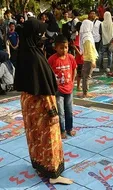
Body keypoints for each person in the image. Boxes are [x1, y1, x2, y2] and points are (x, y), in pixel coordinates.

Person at [14, 17, 73, 185]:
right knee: (49, 137)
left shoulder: (25, 52)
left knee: (35, 136)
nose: (43, 36)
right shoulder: (35, 57)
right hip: (41, 105)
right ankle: (53, 173)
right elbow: (45, 86)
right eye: (40, 33)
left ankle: (40, 164)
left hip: (28, 104)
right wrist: (53, 111)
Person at [48, 35, 77, 139]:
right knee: (60, 112)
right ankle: (62, 130)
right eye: (61, 48)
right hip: (58, 91)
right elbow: (49, 74)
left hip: (69, 90)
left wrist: (73, 82)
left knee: (69, 110)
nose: (64, 50)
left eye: (66, 47)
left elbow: (74, 69)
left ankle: (70, 128)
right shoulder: (52, 59)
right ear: (55, 48)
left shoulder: (70, 57)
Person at [80, 19, 98, 98]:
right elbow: (90, 50)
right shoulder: (87, 37)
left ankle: (85, 91)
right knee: (86, 76)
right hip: (89, 59)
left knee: (86, 76)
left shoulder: (86, 35)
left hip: (87, 59)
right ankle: (85, 93)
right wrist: (93, 61)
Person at [72, 22, 83, 91]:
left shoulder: (79, 37)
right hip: (80, 59)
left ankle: (79, 85)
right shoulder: (79, 37)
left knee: (79, 73)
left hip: (81, 58)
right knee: (79, 74)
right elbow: (79, 52)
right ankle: (78, 86)